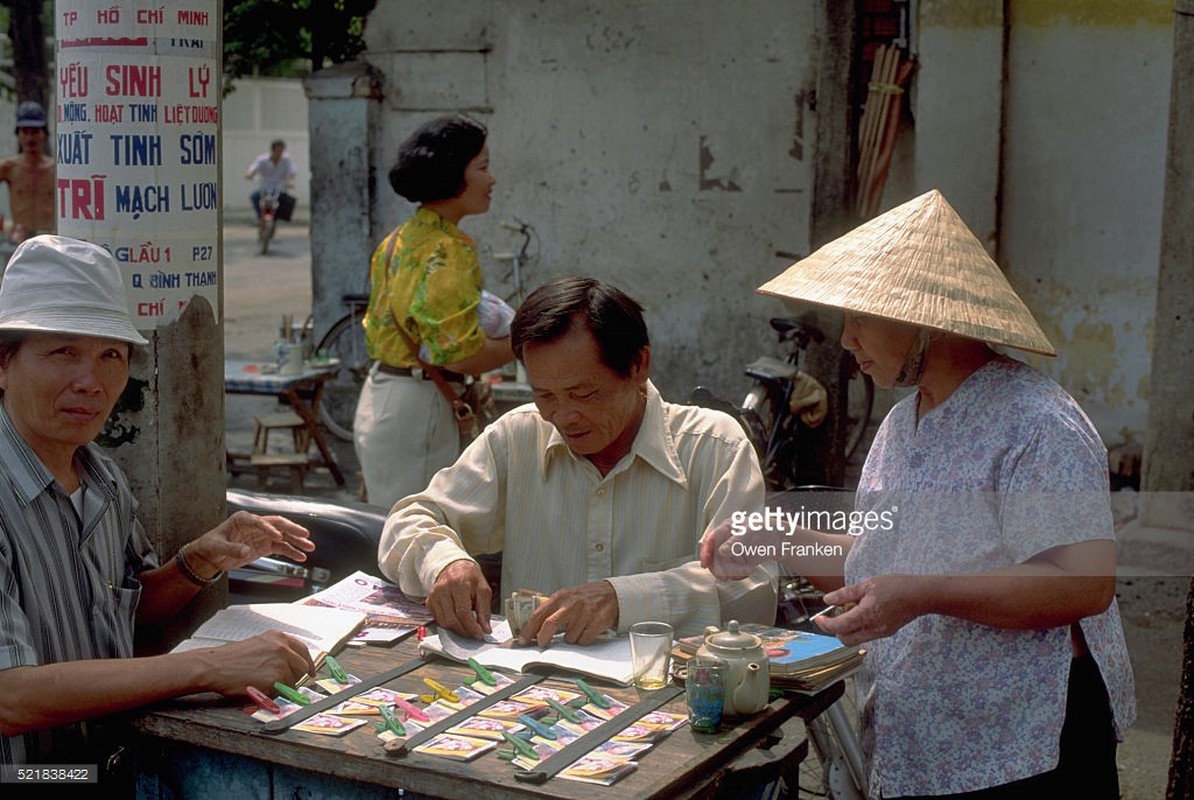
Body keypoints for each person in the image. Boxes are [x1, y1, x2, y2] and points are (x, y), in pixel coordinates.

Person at [701, 189, 1135, 799]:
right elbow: (881, 557)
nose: (847, 341)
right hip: (927, 741)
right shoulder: (904, 425)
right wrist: (774, 539)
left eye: (861, 319)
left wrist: (922, 595)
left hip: (1025, 749)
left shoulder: (1037, 423)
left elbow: (1082, 582)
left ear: (925, 320)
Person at [0, 235, 318, 768]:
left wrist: (197, 562)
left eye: (111, 356)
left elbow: (124, 614)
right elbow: (8, 698)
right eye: (63, 352)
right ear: (3, 364)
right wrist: (210, 667)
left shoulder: (101, 478)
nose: (92, 381)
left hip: (109, 758)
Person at [378, 277, 776, 646]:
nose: (564, 416)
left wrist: (624, 601)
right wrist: (446, 564)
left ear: (638, 366)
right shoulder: (519, 437)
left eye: (583, 394)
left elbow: (754, 590)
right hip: (529, 693)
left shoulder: (713, 447)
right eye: (545, 396)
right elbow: (409, 520)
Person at [354, 115, 515, 508]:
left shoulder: (399, 240)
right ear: (451, 173)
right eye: (482, 167)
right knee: (416, 536)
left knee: (390, 525)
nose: (492, 179)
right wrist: (525, 342)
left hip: (386, 395)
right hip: (419, 408)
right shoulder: (446, 250)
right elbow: (459, 355)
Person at [0, 101, 55, 243]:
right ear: (18, 134)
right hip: (19, 240)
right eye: (25, 131)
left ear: (44, 133)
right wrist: (4, 225)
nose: (30, 138)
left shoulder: (56, 170)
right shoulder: (9, 167)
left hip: (50, 239)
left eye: (35, 132)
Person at [244, 139, 296, 228]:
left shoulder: (286, 160)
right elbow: (252, 169)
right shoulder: (262, 160)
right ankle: (260, 217)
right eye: (277, 151)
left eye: (281, 151)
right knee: (254, 197)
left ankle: (278, 218)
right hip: (264, 187)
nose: (279, 153)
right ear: (272, 150)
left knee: (287, 201)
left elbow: (292, 173)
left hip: (279, 188)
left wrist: (291, 181)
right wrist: (249, 174)